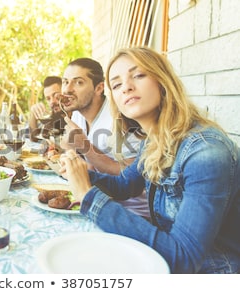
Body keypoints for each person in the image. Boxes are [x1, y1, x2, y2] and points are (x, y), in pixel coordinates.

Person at [61, 46, 240, 274]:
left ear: (162, 81)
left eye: (138, 75)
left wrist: (88, 195)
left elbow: (184, 258)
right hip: (162, 259)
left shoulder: (206, 153)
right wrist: (77, 174)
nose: (126, 87)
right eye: (116, 84)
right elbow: (125, 185)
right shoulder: (156, 138)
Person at [60, 57, 149, 218]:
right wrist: (69, 152)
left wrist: (85, 147)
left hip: (133, 213)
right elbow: (91, 169)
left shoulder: (122, 117)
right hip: (98, 200)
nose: (67, 90)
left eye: (78, 82)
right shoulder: (78, 116)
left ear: (99, 88)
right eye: (65, 82)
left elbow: (129, 177)